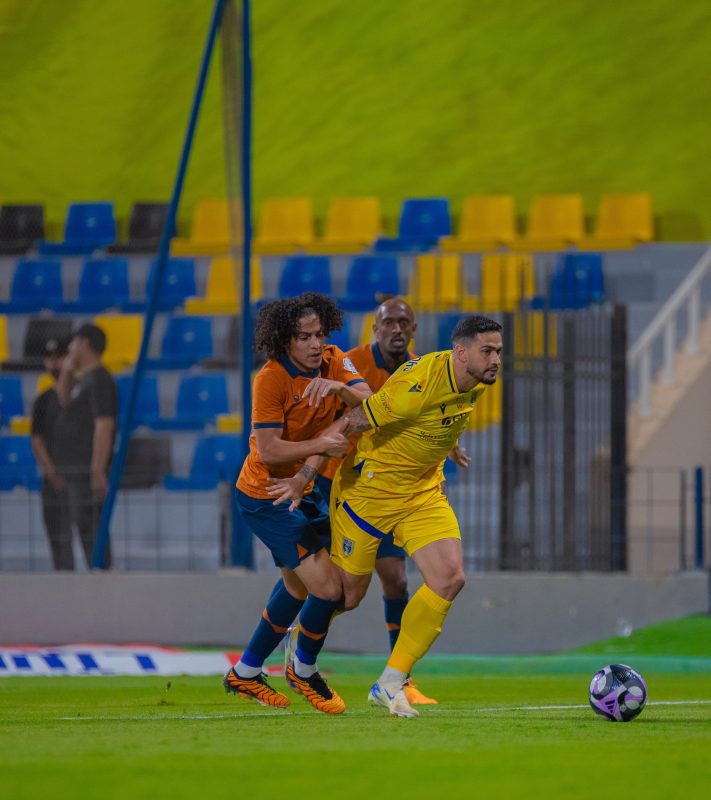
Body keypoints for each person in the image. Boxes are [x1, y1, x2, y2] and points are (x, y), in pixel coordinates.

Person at [323, 315, 503, 717]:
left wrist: (449, 446)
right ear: (461, 353)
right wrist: (304, 474)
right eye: (487, 351)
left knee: (449, 577)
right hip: (371, 491)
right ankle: (298, 642)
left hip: (421, 492)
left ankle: (390, 683)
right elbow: (353, 419)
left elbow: (440, 418)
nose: (495, 360)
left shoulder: (475, 380)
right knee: (347, 596)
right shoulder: (417, 384)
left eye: (498, 352)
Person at [223, 292, 370, 714]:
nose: (314, 344)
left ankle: (245, 672)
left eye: (319, 334)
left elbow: (372, 403)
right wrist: (322, 444)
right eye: (304, 337)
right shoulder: (270, 379)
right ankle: (303, 670)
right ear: (284, 340)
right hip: (266, 495)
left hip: (302, 490)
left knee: (299, 588)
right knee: (327, 588)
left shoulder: (335, 361)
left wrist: (340, 389)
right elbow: (269, 451)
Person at [54, 323, 118, 569]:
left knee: (92, 530)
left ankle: (102, 575)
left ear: (85, 344)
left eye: (73, 343)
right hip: (76, 471)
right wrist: (67, 371)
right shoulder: (84, 380)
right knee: (84, 530)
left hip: (86, 471)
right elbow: (63, 399)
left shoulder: (100, 380)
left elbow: (104, 426)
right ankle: (97, 572)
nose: (70, 348)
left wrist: (97, 470)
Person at [30, 337, 72, 569]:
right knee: (59, 544)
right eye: (50, 359)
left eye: (59, 358)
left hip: (80, 479)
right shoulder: (43, 400)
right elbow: (37, 440)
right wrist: (52, 473)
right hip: (54, 483)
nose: (54, 364)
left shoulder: (83, 394)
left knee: (92, 539)